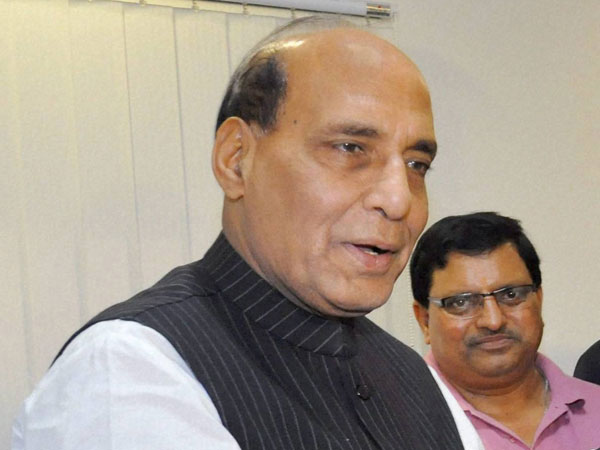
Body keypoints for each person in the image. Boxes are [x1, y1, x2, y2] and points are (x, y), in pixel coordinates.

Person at [12, 16, 466, 450]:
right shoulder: (131, 368)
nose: (399, 199)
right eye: (350, 148)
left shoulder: (415, 379)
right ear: (235, 160)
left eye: (416, 164)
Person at [411, 211, 600, 449]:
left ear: (539, 299)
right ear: (424, 320)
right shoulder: (394, 427)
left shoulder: (596, 407)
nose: (493, 321)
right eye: (461, 302)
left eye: (511, 295)